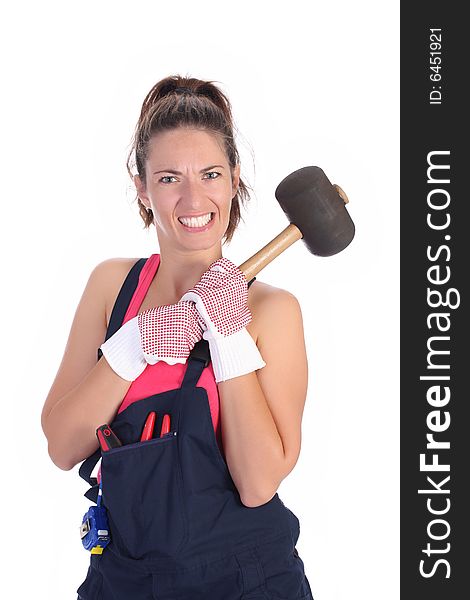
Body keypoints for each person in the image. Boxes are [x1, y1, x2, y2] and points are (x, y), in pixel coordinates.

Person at [41, 75, 313, 600]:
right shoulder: (112, 288)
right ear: (141, 186)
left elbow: (258, 485)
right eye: (168, 178)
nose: (194, 197)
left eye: (211, 173)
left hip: (246, 580)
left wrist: (230, 337)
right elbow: (62, 445)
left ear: (234, 179)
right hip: (122, 579)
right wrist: (133, 346)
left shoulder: (270, 311)